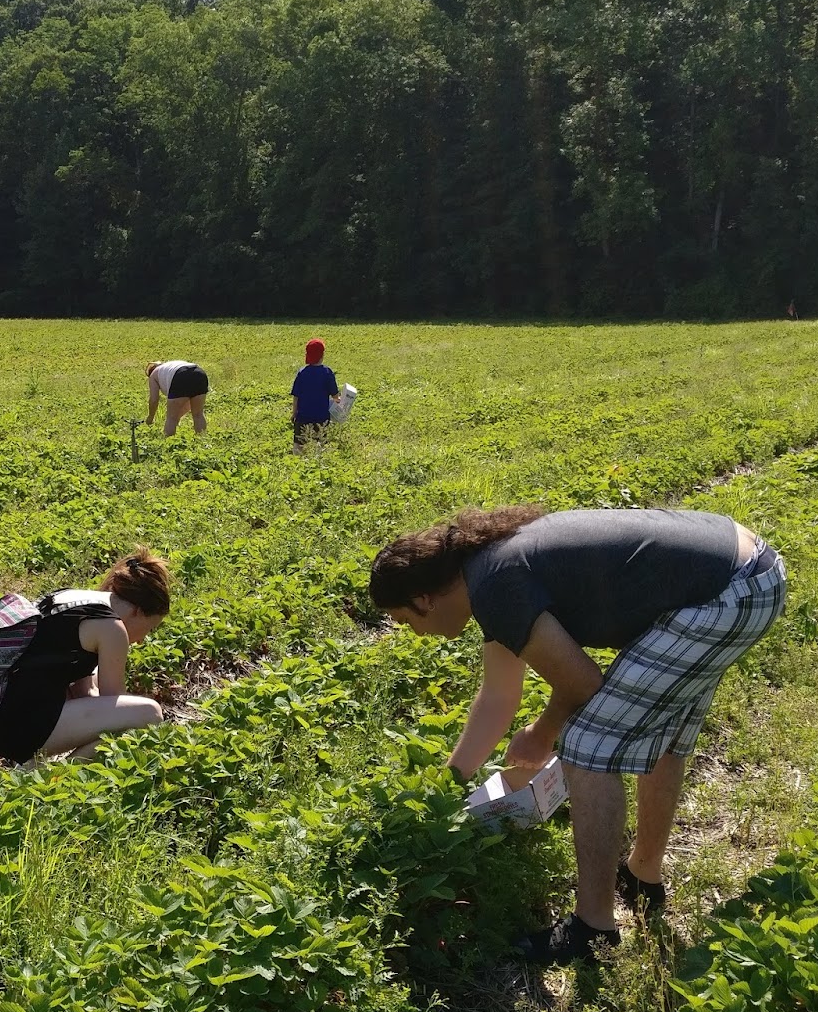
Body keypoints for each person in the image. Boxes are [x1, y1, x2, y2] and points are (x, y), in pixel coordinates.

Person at [370, 506, 786, 964]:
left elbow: (583, 683)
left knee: (586, 746)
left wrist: (543, 732)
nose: (417, 633)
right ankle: (643, 876)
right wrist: (447, 790)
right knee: (662, 732)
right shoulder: (483, 570)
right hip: (745, 571)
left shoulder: (494, 586)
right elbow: (498, 698)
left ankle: (593, 931)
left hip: (727, 592)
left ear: (423, 599)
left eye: (407, 621)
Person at [0, 549, 171, 765]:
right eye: (149, 629)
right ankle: (55, 776)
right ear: (138, 611)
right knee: (149, 714)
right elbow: (116, 707)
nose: (141, 640)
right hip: (18, 729)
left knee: (95, 677)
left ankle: (35, 766)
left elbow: (85, 690)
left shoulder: (70, 598)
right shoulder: (112, 628)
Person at [291, 338, 340, 449]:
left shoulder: (302, 372)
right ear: (322, 355)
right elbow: (335, 396)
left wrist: (294, 413)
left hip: (303, 417)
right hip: (321, 418)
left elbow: (296, 396)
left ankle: (298, 463)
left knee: (299, 446)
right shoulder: (327, 372)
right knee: (320, 445)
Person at [146, 360, 208, 435]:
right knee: (198, 414)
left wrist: (150, 418)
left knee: (171, 418)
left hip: (180, 376)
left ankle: (169, 442)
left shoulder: (153, 375)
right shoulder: (169, 366)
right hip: (199, 373)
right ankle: (202, 441)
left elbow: (154, 400)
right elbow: (188, 403)